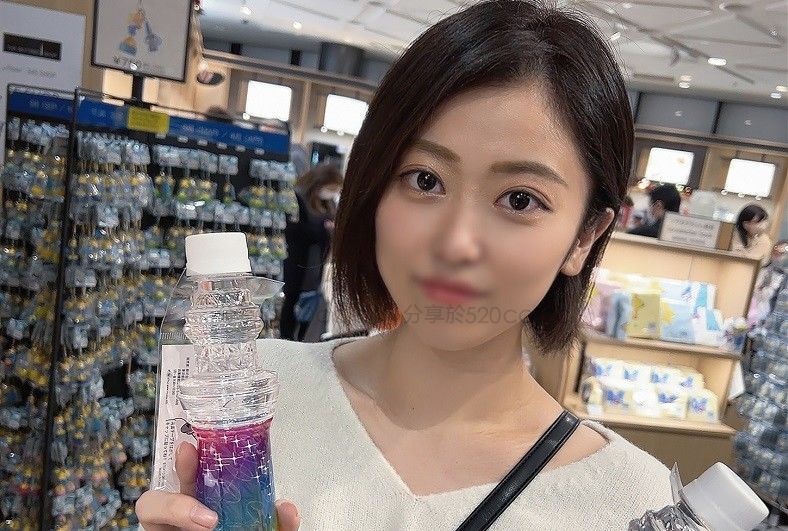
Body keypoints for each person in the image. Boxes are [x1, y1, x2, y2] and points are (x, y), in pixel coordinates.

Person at [136, 2, 672, 529]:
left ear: (584, 236)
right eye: (425, 180)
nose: (456, 244)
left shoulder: (635, 507)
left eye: (519, 200)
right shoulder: (246, 394)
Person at [279, 163, 343, 340]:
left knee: (310, 304)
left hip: (316, 264)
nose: (332, 193)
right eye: (331, 188)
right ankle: (287, 339)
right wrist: (324, 229)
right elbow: (294, 230)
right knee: (292, 301)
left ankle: (302, 338)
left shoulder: (328, 203)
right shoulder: (299, 198)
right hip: (298, 261)